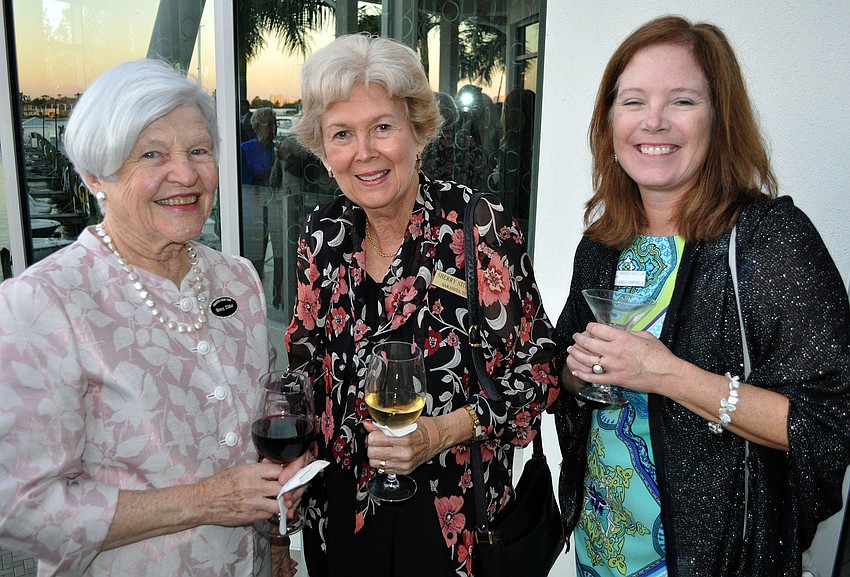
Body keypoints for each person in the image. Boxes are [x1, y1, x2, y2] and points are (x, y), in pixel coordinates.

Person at [552, 15, 850, 577]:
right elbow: (567, 371)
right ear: (610, 121)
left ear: (719, 119)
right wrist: (576, 371)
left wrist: (665, 374)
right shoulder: (603, 241)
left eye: (683, 100)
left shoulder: (768, 240)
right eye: (633, 101)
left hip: (718, 561)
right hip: (604, 548)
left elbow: (830, 424)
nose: (654, 121)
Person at [0, 59, 308, 577]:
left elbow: (259, 425)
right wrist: (204, 501)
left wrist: (276, 527)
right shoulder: (43, 303)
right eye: (152, 154)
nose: (185, 174)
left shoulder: (238, 280)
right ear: (97, 174)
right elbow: (19, 506)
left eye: (198, 151)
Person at [284, 34, 559, 576]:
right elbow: (304, 369)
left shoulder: (476, 227)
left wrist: (440, 432)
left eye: (382, 127)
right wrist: (293, 458)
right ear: (323, 149)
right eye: (342, 134)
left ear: (417, 129)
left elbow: (542, 370)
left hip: (451, 520)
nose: (364, 152)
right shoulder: (321, 235)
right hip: (341, 514)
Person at [240, 106, 278, 278]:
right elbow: (245, 184)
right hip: (254, 209)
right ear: (256, 128)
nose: (274, 128)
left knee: (281, 253)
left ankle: (280, 297)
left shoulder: (280, 149)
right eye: (269, 124)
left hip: (277, 208)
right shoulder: (245, 149)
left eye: (275, 124)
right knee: (255, 256)